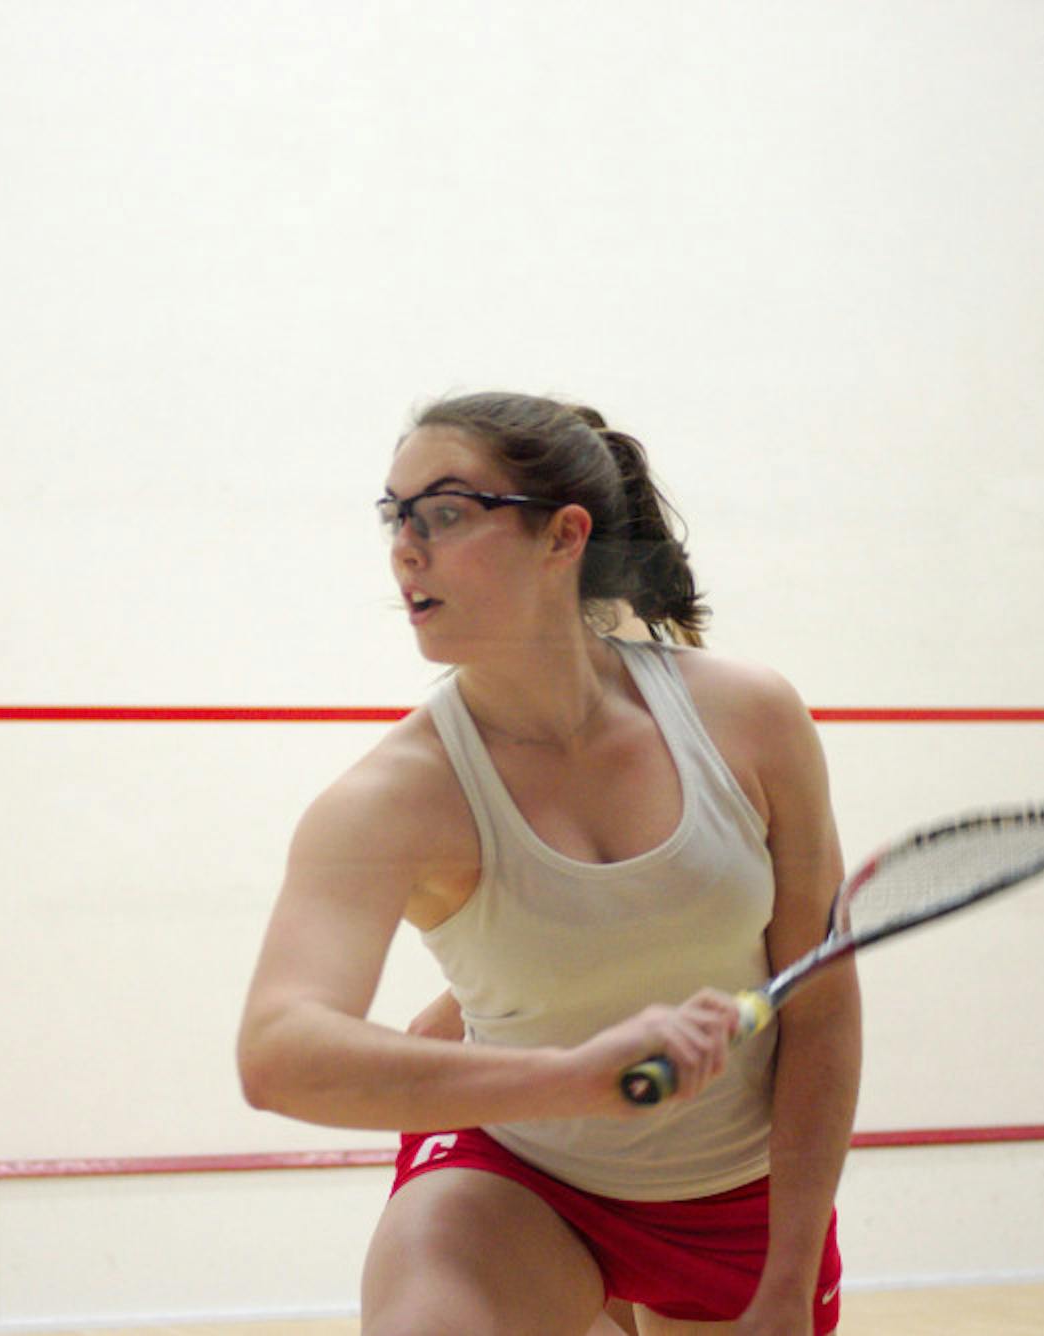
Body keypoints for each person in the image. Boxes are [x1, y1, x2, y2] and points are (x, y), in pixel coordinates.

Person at [236, 392, 862, 1334]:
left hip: (738, 1202)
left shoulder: (750, 719)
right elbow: (278, 1053)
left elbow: (822, 1008)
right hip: (517, 1181)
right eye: (395, 515)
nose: (406, 547)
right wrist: (569, 1078)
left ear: (564, 536)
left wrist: (789, 1276)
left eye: (446, 512)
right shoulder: (389, 800)